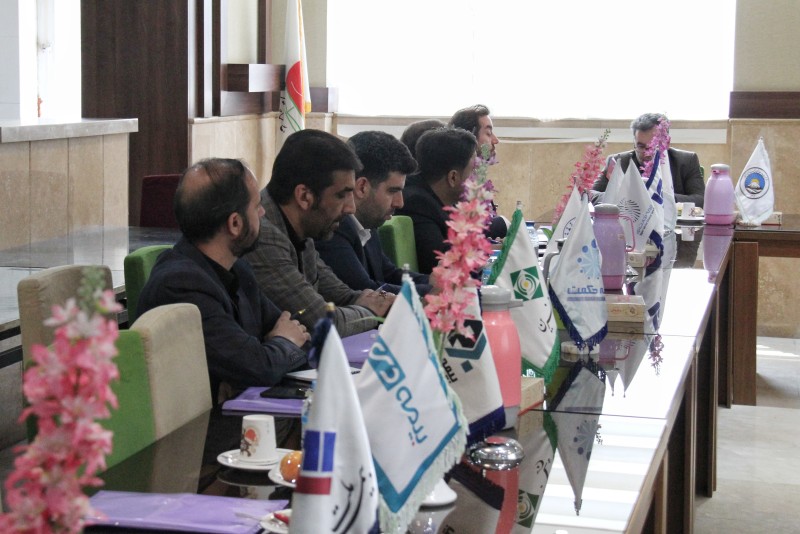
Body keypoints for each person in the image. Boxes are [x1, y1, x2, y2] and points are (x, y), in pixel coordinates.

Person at [137, 158, 310, 402]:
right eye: (257, 206)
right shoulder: (181, 286)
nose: (262, 213)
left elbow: (297, 334)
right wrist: (281, 343)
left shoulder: (238, 269)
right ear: (235, 224)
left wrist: (273, 349)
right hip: (206, 424)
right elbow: (261, 367)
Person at [244, 129, 394, 336]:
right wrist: (373, 311)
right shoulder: (263, 236)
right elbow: (323, 322)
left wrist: (384, 300)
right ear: (304, 196)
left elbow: (343, 296)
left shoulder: (304, 224)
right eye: (342, 195)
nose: (351, 208)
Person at [315, 130, 432, 295]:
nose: (400, 203)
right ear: (362, 187)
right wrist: (434, 293)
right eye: (392, 191)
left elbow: (389, 273)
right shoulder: (333, 227)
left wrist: (434, 282)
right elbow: (364, 289)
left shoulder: (368, 221)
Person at [396, 127, 477, 275]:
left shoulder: (444, 200)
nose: (477, 180)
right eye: (473, 171)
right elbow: (445, 263)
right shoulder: (417, 204)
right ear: (453, 177)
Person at [592, 112, 705, 207]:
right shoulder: (618, 162)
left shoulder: (687, 161)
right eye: (641, 146)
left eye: (653, 147)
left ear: (667, 143)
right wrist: (626, 197)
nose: (647, 153)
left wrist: (660, 197)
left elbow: (701, 199)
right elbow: (591, 194)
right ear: (634, 143)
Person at [449, 104, 507, 239]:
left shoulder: (477, 175)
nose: (496, 140)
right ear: (470, 139)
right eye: (488, 133)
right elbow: (470, 232)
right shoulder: (457, 180)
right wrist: (503, 224)